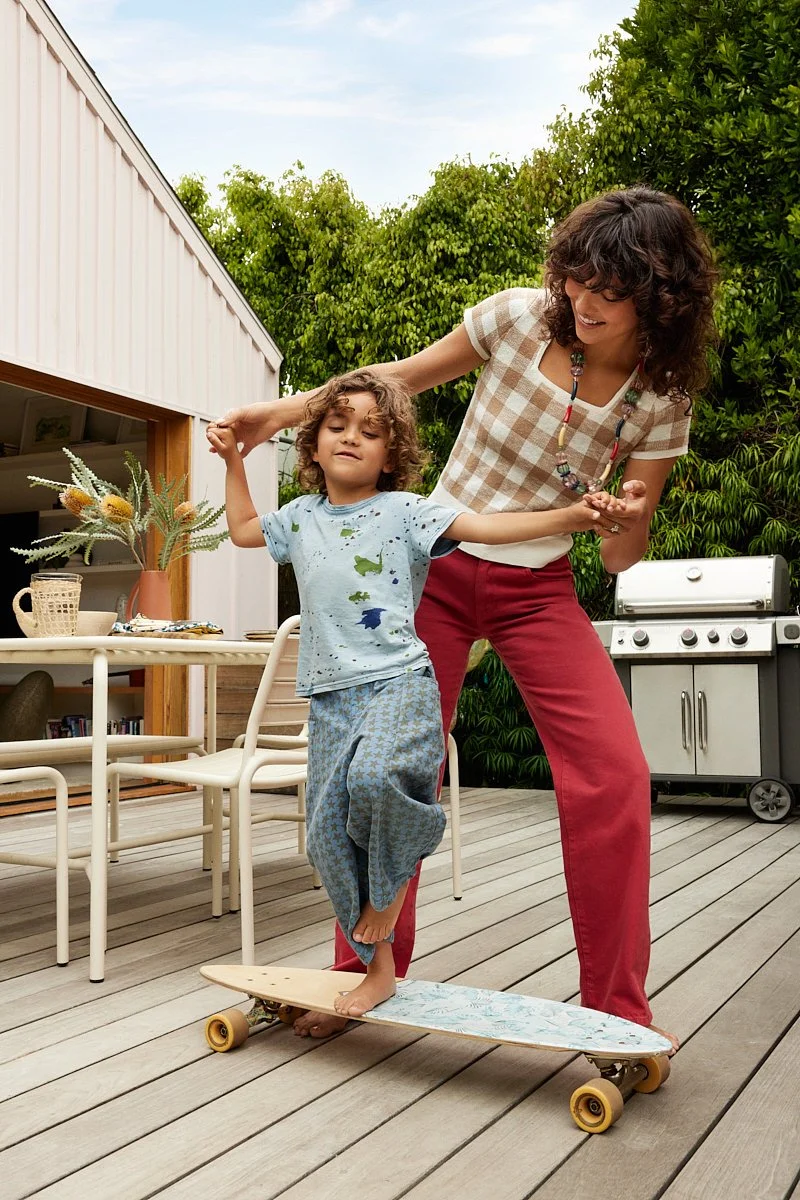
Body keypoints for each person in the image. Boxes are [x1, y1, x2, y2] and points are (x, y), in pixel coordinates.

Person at [211, 186, 717, 1046]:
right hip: (430, 574)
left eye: (610, 291)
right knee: (385, 766)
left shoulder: (661, 400)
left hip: (538, 592)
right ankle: (359, 972)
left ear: (659, 300)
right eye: (576, 280)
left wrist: (628, 523)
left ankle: (616, 1011)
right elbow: (390, 384)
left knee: (615, 777)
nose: (584, 303)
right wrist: (275, 415)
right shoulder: (517, 320)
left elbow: (623, 557)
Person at [208, 369, 614, 1017]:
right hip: (330, 698)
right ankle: (379, 971)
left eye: (369, 431)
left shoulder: (407, 513)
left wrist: (573, 517)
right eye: (336, 427)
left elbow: (487, 529)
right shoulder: (301, 518)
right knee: (325, 841)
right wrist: (234, 460)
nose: (350, 438)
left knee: (375, 781)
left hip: (398, 685)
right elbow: (244, 530)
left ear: (390, 454)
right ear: (311, 446)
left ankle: (399, 867)